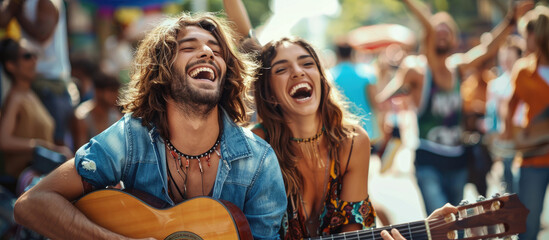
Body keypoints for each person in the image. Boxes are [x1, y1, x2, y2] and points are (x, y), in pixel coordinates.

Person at [13, 12, 287, 239]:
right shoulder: (131, 138)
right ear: (163, 71)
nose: (207, 53)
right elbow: (31, 205)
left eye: (217, 51)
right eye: (189, 47)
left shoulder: (259, 163)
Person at [376, 0, 531, 216]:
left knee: (456, 227)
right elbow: (385, 95)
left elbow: (487, 49)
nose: (441, 33)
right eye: (436, 30)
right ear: (428, 38)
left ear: (454, 38)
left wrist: (510, 19)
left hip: (458, 162)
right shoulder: (419, 72)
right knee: (440, 225)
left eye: (447, 30)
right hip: (428, 162)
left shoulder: (458, 67)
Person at [0, 38, 72, 194]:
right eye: (27, 56)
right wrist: (40, 145)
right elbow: (4, 141)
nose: (34, 60)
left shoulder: (30, 94)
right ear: (10, 65)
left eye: (35, 55)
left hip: (43, 171)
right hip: (27, 179)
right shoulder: (15, 98)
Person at [502, 6, 549, 240]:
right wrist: (510, 136)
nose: (524, 39)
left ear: (538, 35)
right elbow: (510, 107)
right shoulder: (523, 71)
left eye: (527, 33)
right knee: (528, 227)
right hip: (534, 158)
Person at [72, 71, 122, 150]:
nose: (116, 96)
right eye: (112, 91)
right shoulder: (82, 117)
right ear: (98, 92)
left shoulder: (115, 116)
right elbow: (80, 153)